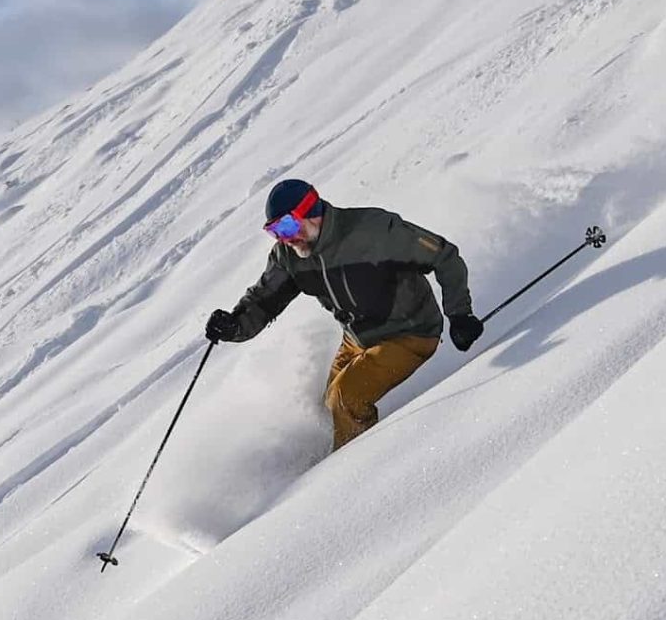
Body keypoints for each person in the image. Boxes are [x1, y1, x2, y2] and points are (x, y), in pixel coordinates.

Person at [206, 178, 482, 450]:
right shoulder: (289, 258)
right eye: (275, 232)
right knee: (328, 404)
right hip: (358, 338)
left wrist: (459, 314)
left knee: (345, 398)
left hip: (410, 331)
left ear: (311, 210)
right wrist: (234, 325)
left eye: (287, 225)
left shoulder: (373, 231)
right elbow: (263, 301)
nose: (285, 239)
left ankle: (349, 474)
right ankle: (336, 456)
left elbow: (444, 256)